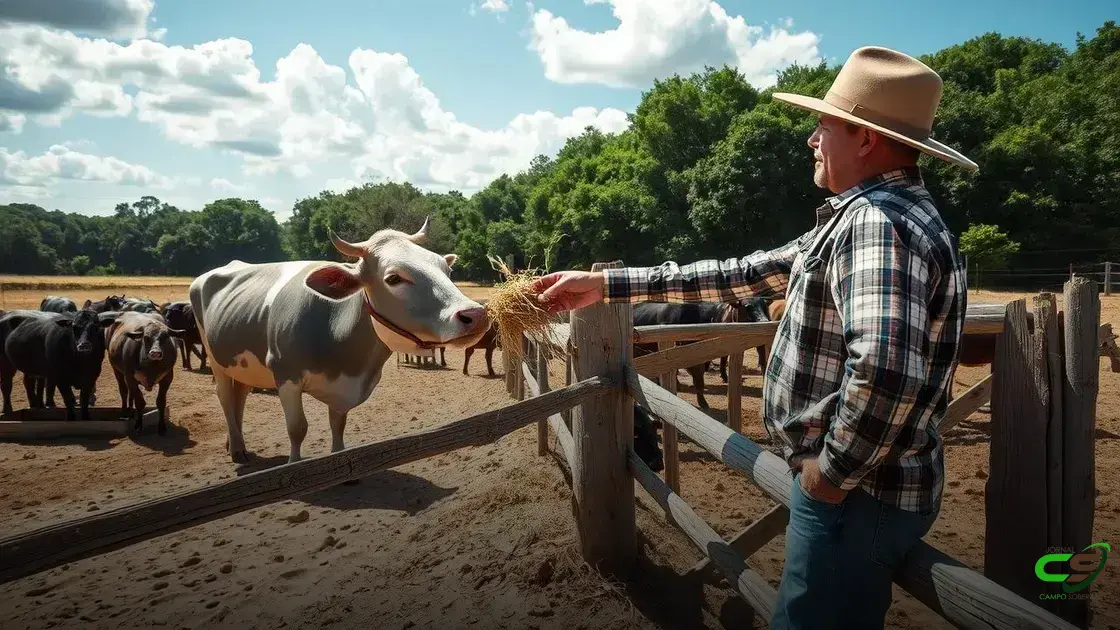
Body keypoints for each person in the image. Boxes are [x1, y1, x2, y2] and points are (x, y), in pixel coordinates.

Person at [530, 46, 977, 629]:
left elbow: (886, 368)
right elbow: (740, 274)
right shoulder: (876, 215)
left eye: (823, 125)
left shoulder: (877, 225)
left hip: (857, 497)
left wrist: (832, 472)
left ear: (865, 139)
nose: (812, 140)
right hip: (873, 493)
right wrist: (606, 283)